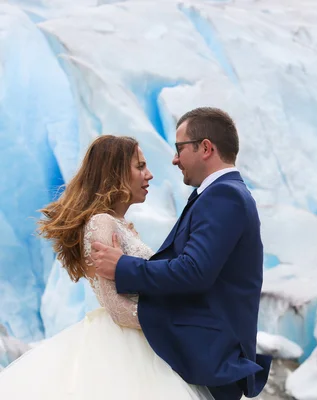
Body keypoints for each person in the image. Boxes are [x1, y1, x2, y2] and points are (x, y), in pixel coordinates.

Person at [0, 135, 213, 399]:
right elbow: (117, 309)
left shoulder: (119, 223)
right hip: (126, 349)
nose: (149, 175)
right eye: (140, 166)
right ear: (116, 172)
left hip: (142, 342)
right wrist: (176, 321)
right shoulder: (102, 223)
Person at [91, 107, 271, 400]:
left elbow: (194, 272)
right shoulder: (220, 195)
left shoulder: (224, 196)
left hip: (212, 353)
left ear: (205, 148)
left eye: (179, 149)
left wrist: (123, 267)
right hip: (205, 351)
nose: (174, 160)